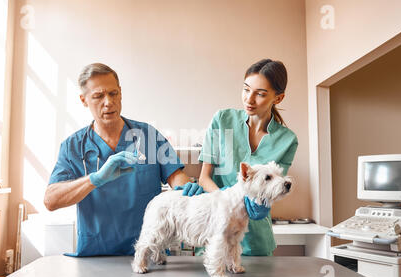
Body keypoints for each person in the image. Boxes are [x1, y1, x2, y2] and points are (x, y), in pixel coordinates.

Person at [44, 63, 203, 257]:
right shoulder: (73, 147)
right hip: (96, 258)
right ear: (83, 100)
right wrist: (94, 179)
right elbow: (51, 200)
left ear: (120, 93)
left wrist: (189, 190)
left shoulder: (149, 136)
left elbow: (177, 178)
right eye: (98, 96)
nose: (108, 102)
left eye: (113, 94)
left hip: (149, 256)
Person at [198, 59, 299, 256]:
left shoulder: (287, 140)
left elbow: (272, 190)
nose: (249, 99)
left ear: (278, 99)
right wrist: (225, 203)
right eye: (246, 89)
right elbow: (204, 178)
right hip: (216, 234)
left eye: (260, 94)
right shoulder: (222, 120)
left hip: (257, 241)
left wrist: (260, 204)